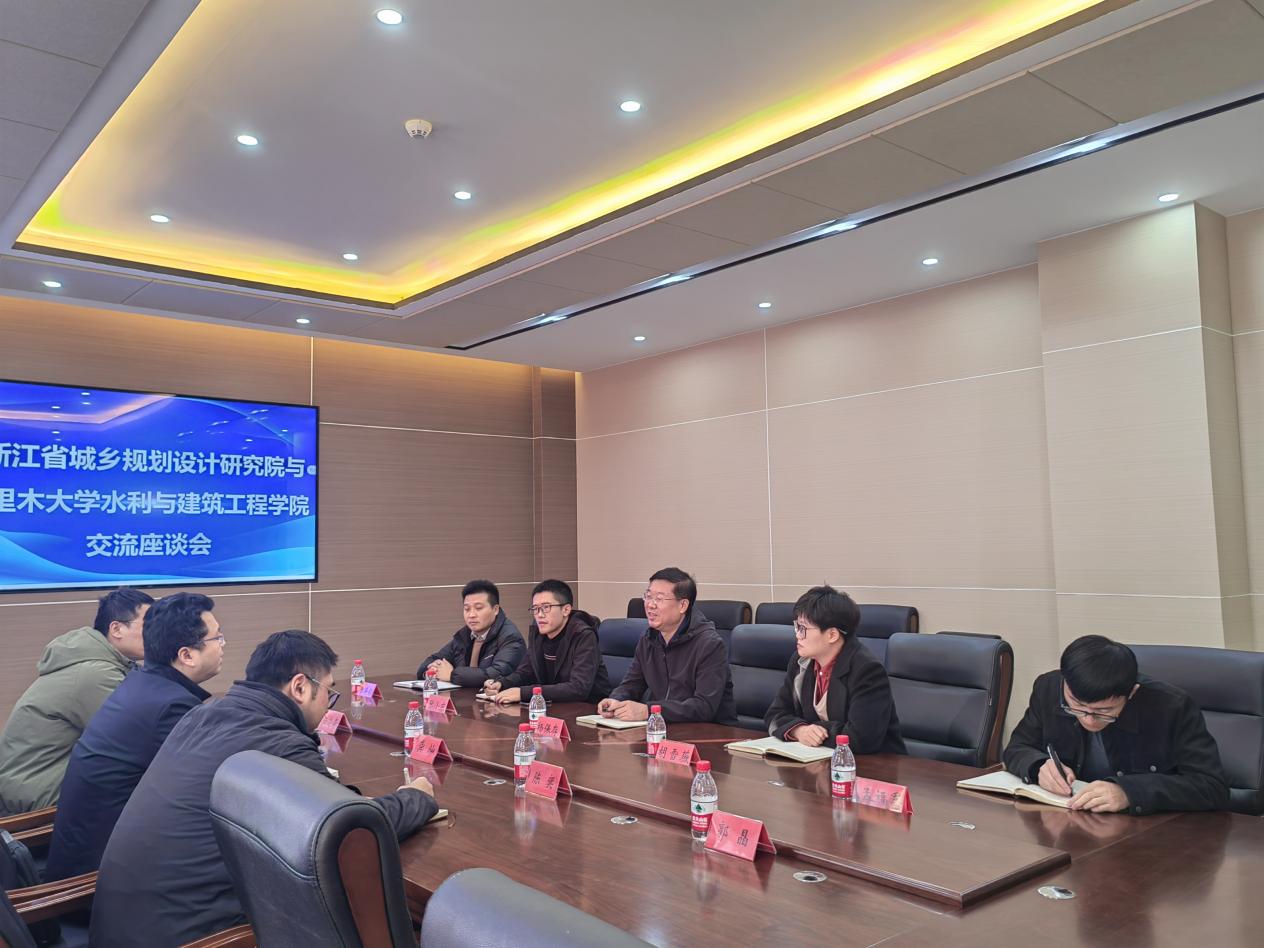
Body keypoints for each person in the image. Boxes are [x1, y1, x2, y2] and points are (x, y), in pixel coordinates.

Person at [90, 630, 439, 947]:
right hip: (196, 936)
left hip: (120, 926)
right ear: (300, 687)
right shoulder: (278, 742)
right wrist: (417, 797)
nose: (328, 704)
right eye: (328, 692)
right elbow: (351, 826)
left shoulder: (204, 714)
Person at [44, 592, 225, 880]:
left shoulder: (142, 685)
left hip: (90, 854)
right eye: (218, 638)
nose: (222, 645)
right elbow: (205, 789)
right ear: (187, 655)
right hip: (101, 878)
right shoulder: (170, 706)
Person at [1003, 634, 1229, 815]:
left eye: (1104, 711)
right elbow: (1016, 748)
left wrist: (1129, 792)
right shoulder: (1048, 688)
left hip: (1151, 835)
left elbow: (1211, 787)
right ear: (1065, 683)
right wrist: (1038, 766)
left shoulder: (1172, 707)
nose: (1088, 719)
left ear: (1131, 693)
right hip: (1071, 820)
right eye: (1076, 705)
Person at [0, 587, 152, 815]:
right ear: (116, 629)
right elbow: (139, 737)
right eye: (148, 626)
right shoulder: (95, 674)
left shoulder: (99, 662)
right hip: (37, 790)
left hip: (27, 782)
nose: (156, 634)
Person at [764, 585, 905, 754]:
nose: (797, 635)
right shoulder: (801, 661)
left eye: (803, 629)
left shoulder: (867, 670)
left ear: (832, 635)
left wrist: (815, 730)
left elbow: (861, 739)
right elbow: (774, 715)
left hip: (874, 764)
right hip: (820, 758)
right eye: (797, 626)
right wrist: (799, 731)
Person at [598, 567, 736, 724]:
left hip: (710, 732)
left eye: (659, 599)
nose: (650, 605)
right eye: (648, 596)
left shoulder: (709, 644)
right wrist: (616, 700)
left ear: (683, 605)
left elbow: (703, 707)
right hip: (664, 727)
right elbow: (632, 684)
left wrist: (649, 711)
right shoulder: (648, 639)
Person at [484, 580, 611, 705]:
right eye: (535, 608)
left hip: (588, 709)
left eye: (546, 607)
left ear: (566, 610)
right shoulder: (538, 633)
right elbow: (525, 672)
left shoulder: (583, 635)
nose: (539, 615)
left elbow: (578, 688)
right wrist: (502, 683)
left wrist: (524, 693)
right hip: (552, 706)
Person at [418, 579, 525, 688]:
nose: (471, 615)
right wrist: (432, 670)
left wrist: (451, 675)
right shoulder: (465, 635)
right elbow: (431, 661)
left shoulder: (510, 637)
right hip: (466, 697)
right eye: (467, 609)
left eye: (478, 608)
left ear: (495, 609)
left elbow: (495, 674)